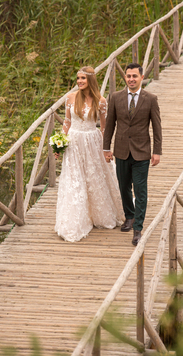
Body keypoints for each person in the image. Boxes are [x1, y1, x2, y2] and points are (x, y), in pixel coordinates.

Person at [55, 66, 124, 242]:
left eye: (83, 79)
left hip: (92, 141)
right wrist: (59, 145)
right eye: (78, 78)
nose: (79, 82)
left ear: (90, 80)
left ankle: (98, 214)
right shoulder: (70, 98)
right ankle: (74, 222)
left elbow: (104, 127)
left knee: (94, 178)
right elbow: (67, 123)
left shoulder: (100, 101)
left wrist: (106, 148)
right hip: (74, 142)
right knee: (74, 179)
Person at [103, 62, 162, 246]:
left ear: (142, 78)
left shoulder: (150, 99)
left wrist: (157, 151)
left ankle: (138, 228)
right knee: (123, 186)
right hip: (121, 149)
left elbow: (157, 127)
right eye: (128, 76)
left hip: (142, 151)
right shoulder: (115, 97)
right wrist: (106, 148)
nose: (131, 79)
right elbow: (110, 124)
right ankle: (129, 215)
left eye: (134, 76)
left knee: (140, 189)